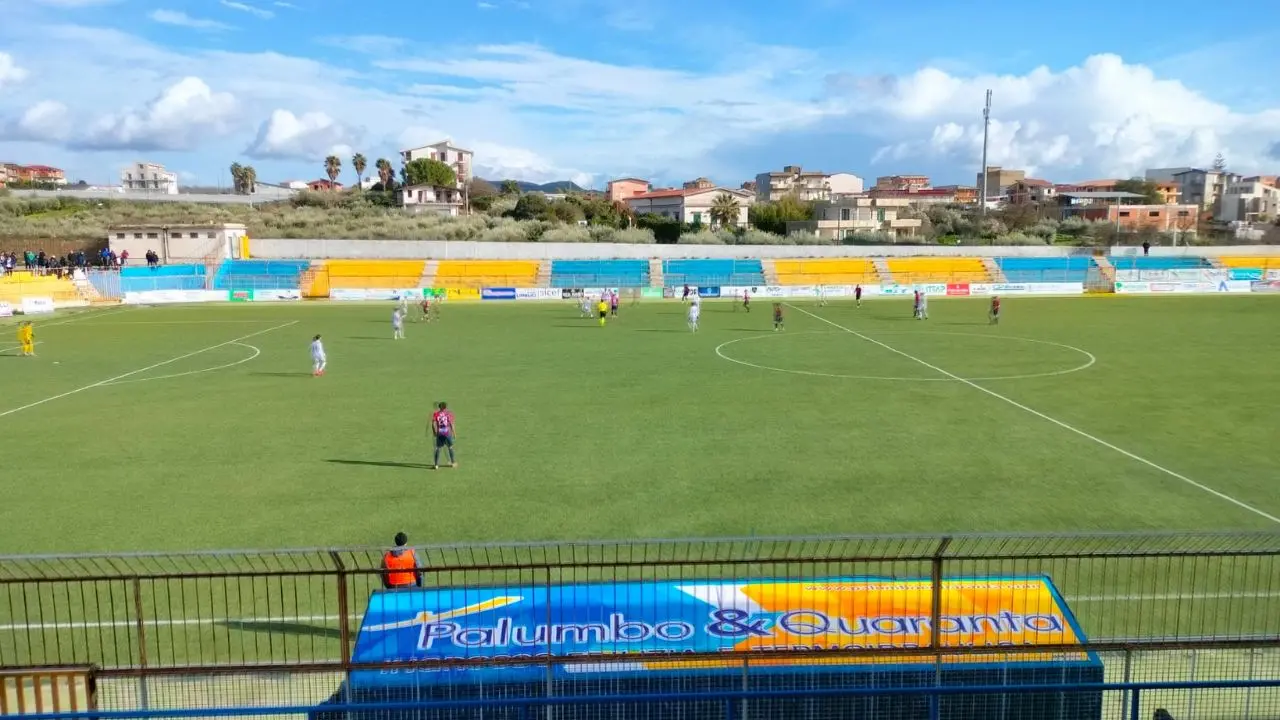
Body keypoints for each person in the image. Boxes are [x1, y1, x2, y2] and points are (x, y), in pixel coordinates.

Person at [431, 402, 457, 469]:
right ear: (445, 407)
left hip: (439, 433)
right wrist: (454, 433)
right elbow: (451, 423)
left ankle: (436, 465)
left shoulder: (436, 414)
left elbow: (433, 424)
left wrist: (434, 432)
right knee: (450, 447)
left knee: (438, 448)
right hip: (447, 433)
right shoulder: (448, 414)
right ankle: (453, 463)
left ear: (439, 407)